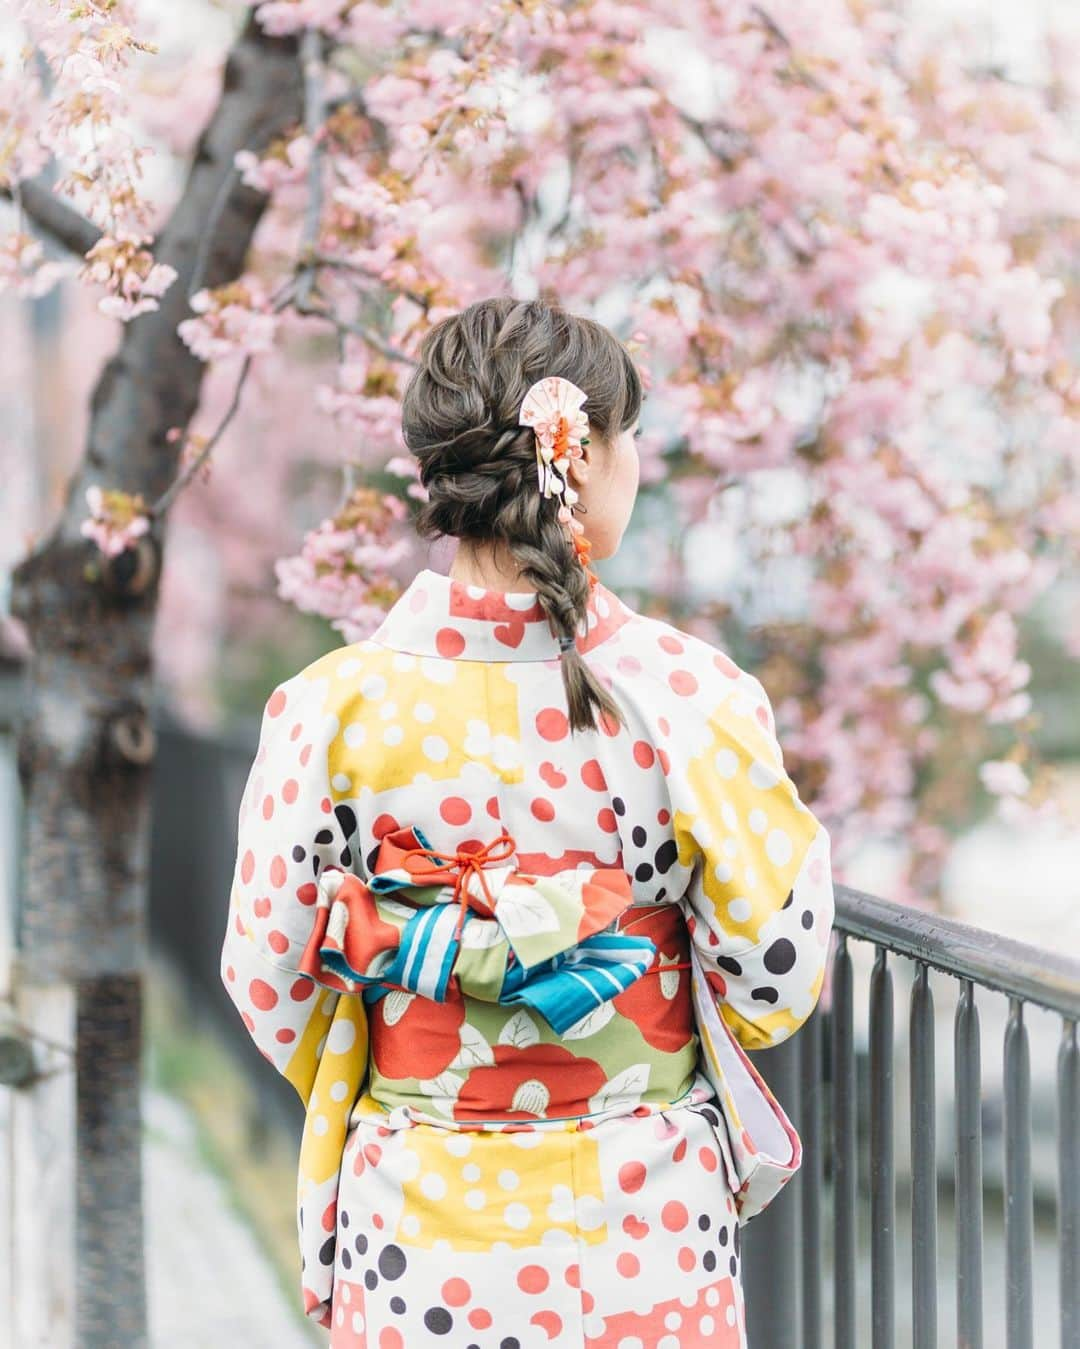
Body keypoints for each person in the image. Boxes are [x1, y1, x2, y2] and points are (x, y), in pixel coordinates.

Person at [219, 295, 834, 1348]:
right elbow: (773, 979)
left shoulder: (330, 708)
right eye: (630, 436)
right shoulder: (692, 697)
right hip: (645, 1212)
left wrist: (443, 1030)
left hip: (418, 1215)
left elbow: (270, 978)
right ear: (582, 450)